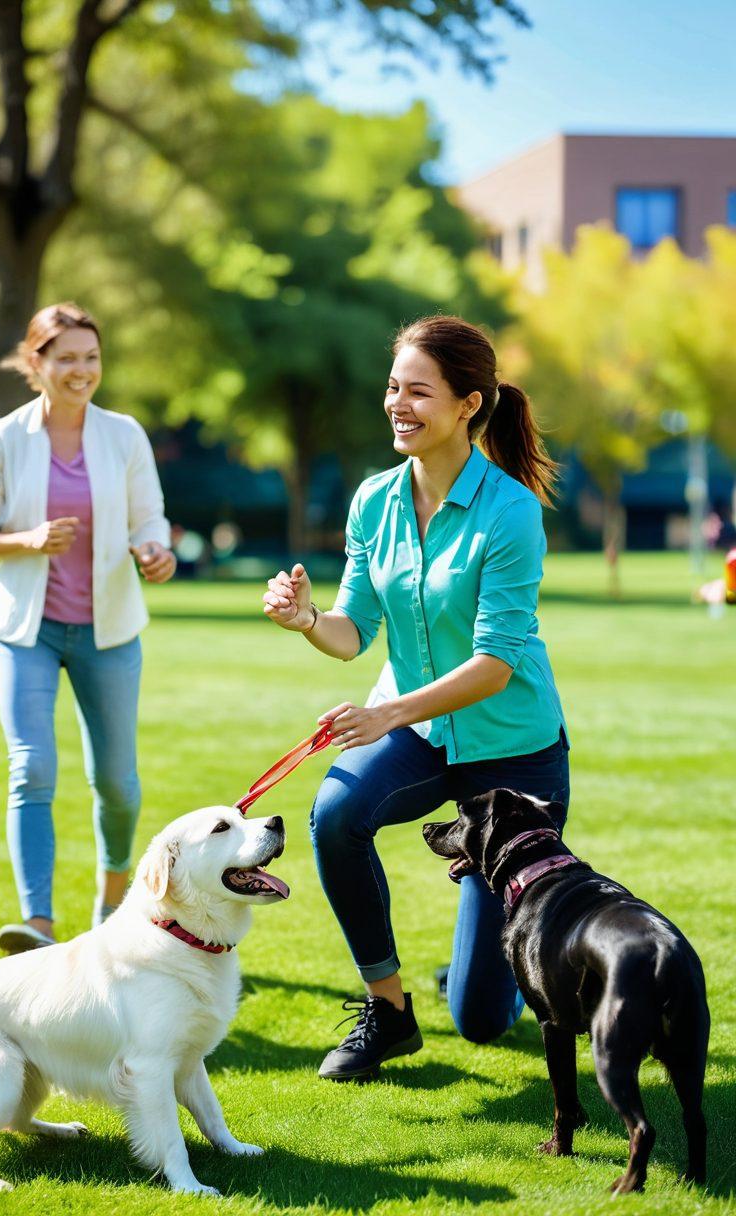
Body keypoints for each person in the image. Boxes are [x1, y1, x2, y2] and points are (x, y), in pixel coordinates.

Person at [263, 315, 570, 1081]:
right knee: (335, 814)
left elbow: (496, 664)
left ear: (469, 404)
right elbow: (353, 629)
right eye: (393, 388)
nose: (398, 403)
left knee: (479, 1018)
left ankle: (491, 976)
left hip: (514, 753)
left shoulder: (510, 511)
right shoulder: (374, 501)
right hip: (421, 735)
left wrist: (385, 713)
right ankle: (390, 1011)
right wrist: (308, 621)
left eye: (418, 391)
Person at [0, 302, 176, 954]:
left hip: (108, 632)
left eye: (91, 357)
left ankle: (113, 897)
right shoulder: (5, 437)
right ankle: (39, 924)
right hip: (27, 631)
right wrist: (26, 541)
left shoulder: (124, 436)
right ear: (36, 363)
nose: (82, 371)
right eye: (67, 358)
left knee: (117, 782)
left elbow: (149, 518)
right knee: (32, 768)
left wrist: (154, 551)